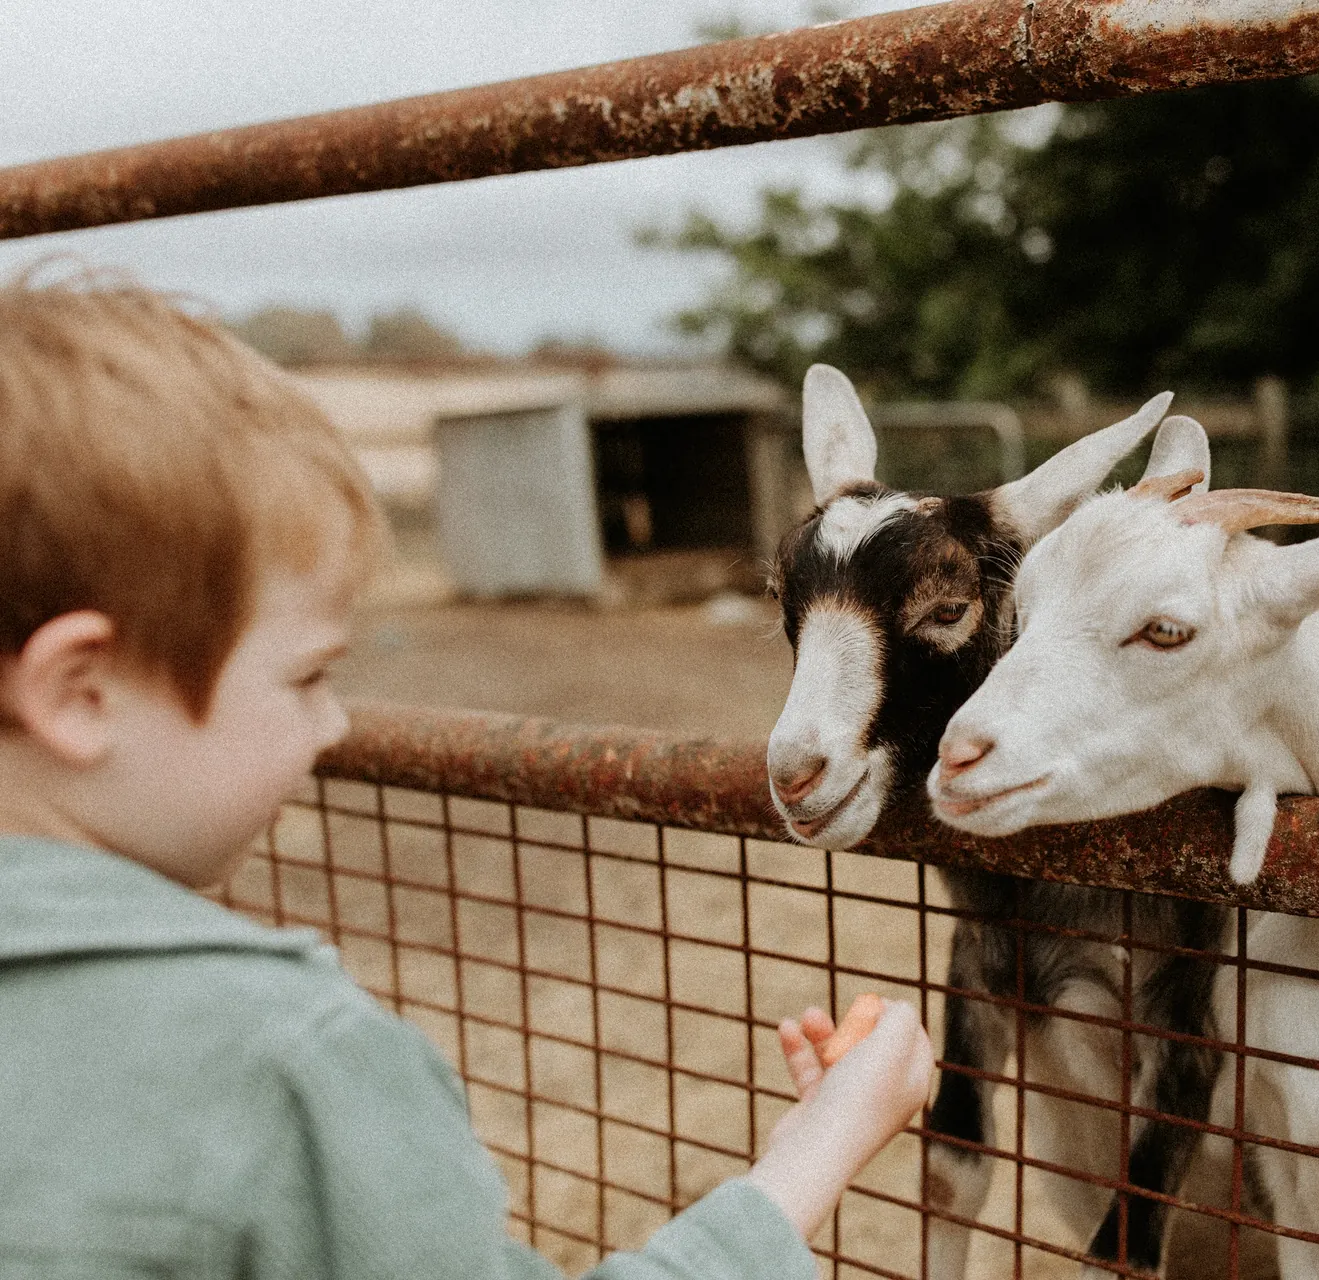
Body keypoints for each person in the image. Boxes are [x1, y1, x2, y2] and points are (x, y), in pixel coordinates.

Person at [0, 269, 936, 1278]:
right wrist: (812, 1155)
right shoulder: (287, 1060)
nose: (335, 723)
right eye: (308, 676)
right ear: (80, 694)